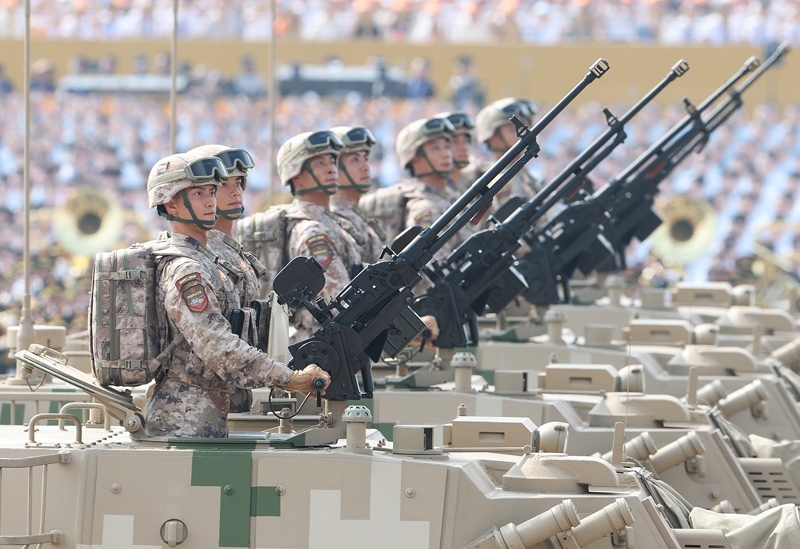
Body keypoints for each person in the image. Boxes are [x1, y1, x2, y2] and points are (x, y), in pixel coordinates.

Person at [144, 152, 329, 438]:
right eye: (197, 193)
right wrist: (289, 378)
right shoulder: (186, 270)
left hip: (209, 414)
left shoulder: (212, 261)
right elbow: (220, 348)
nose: (210, 201)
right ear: (170, 203)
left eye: (211, 191)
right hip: (183, 420)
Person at [186, 144, 264, 413]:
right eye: (223, 185)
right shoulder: (204, 255)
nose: (235, 192)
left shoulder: (232, 252)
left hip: (233, 394)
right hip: (203, 402)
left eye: (239, 183)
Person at [274, 130, 363, 342]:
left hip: (337, 342)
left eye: (332, 161)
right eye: (320, 163)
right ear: (296, 175)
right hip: (323, 344)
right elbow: (338, 302)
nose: (331, 169)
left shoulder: (333, 223)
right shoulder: (312, 232)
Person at [468, 97, 543, 202]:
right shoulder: (500, 182)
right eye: (512, 129)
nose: (522, 133)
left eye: (524, 127)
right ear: (492, 137)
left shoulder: (523, 175)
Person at [329, 126, 386, 263]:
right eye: (354, 160)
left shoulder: (356, 215)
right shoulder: (334, 221)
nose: (365, 167)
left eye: (365, 158)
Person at [435, 111, 477, 191]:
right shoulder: (437, 191)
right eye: (455, 142)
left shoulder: (468, 183)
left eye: (466, 141)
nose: (464, 148)